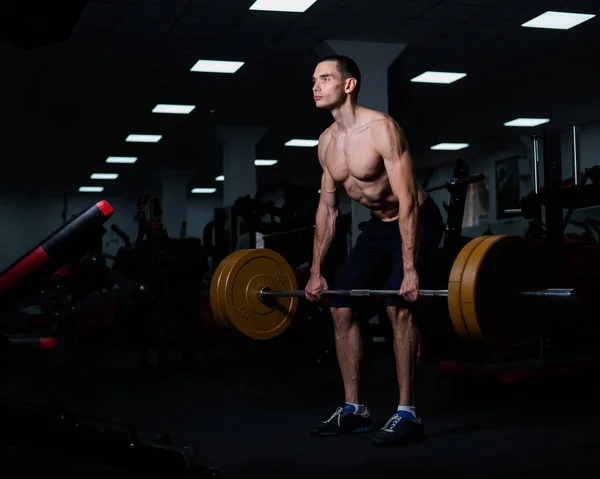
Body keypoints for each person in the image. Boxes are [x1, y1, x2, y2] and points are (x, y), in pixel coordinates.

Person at [304, 55, 444, 447]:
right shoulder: (326, 143)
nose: (315, 85)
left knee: (397, 305)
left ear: (348, 85)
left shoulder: (381, 129)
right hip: (377, 227)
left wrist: (410, 269)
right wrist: (316, 270)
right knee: (341, 306)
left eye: (325, 78)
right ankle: (354, 410)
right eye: (314, 79)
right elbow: (328, 211)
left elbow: (407, 202)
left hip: (414, 218)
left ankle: (407, 413)